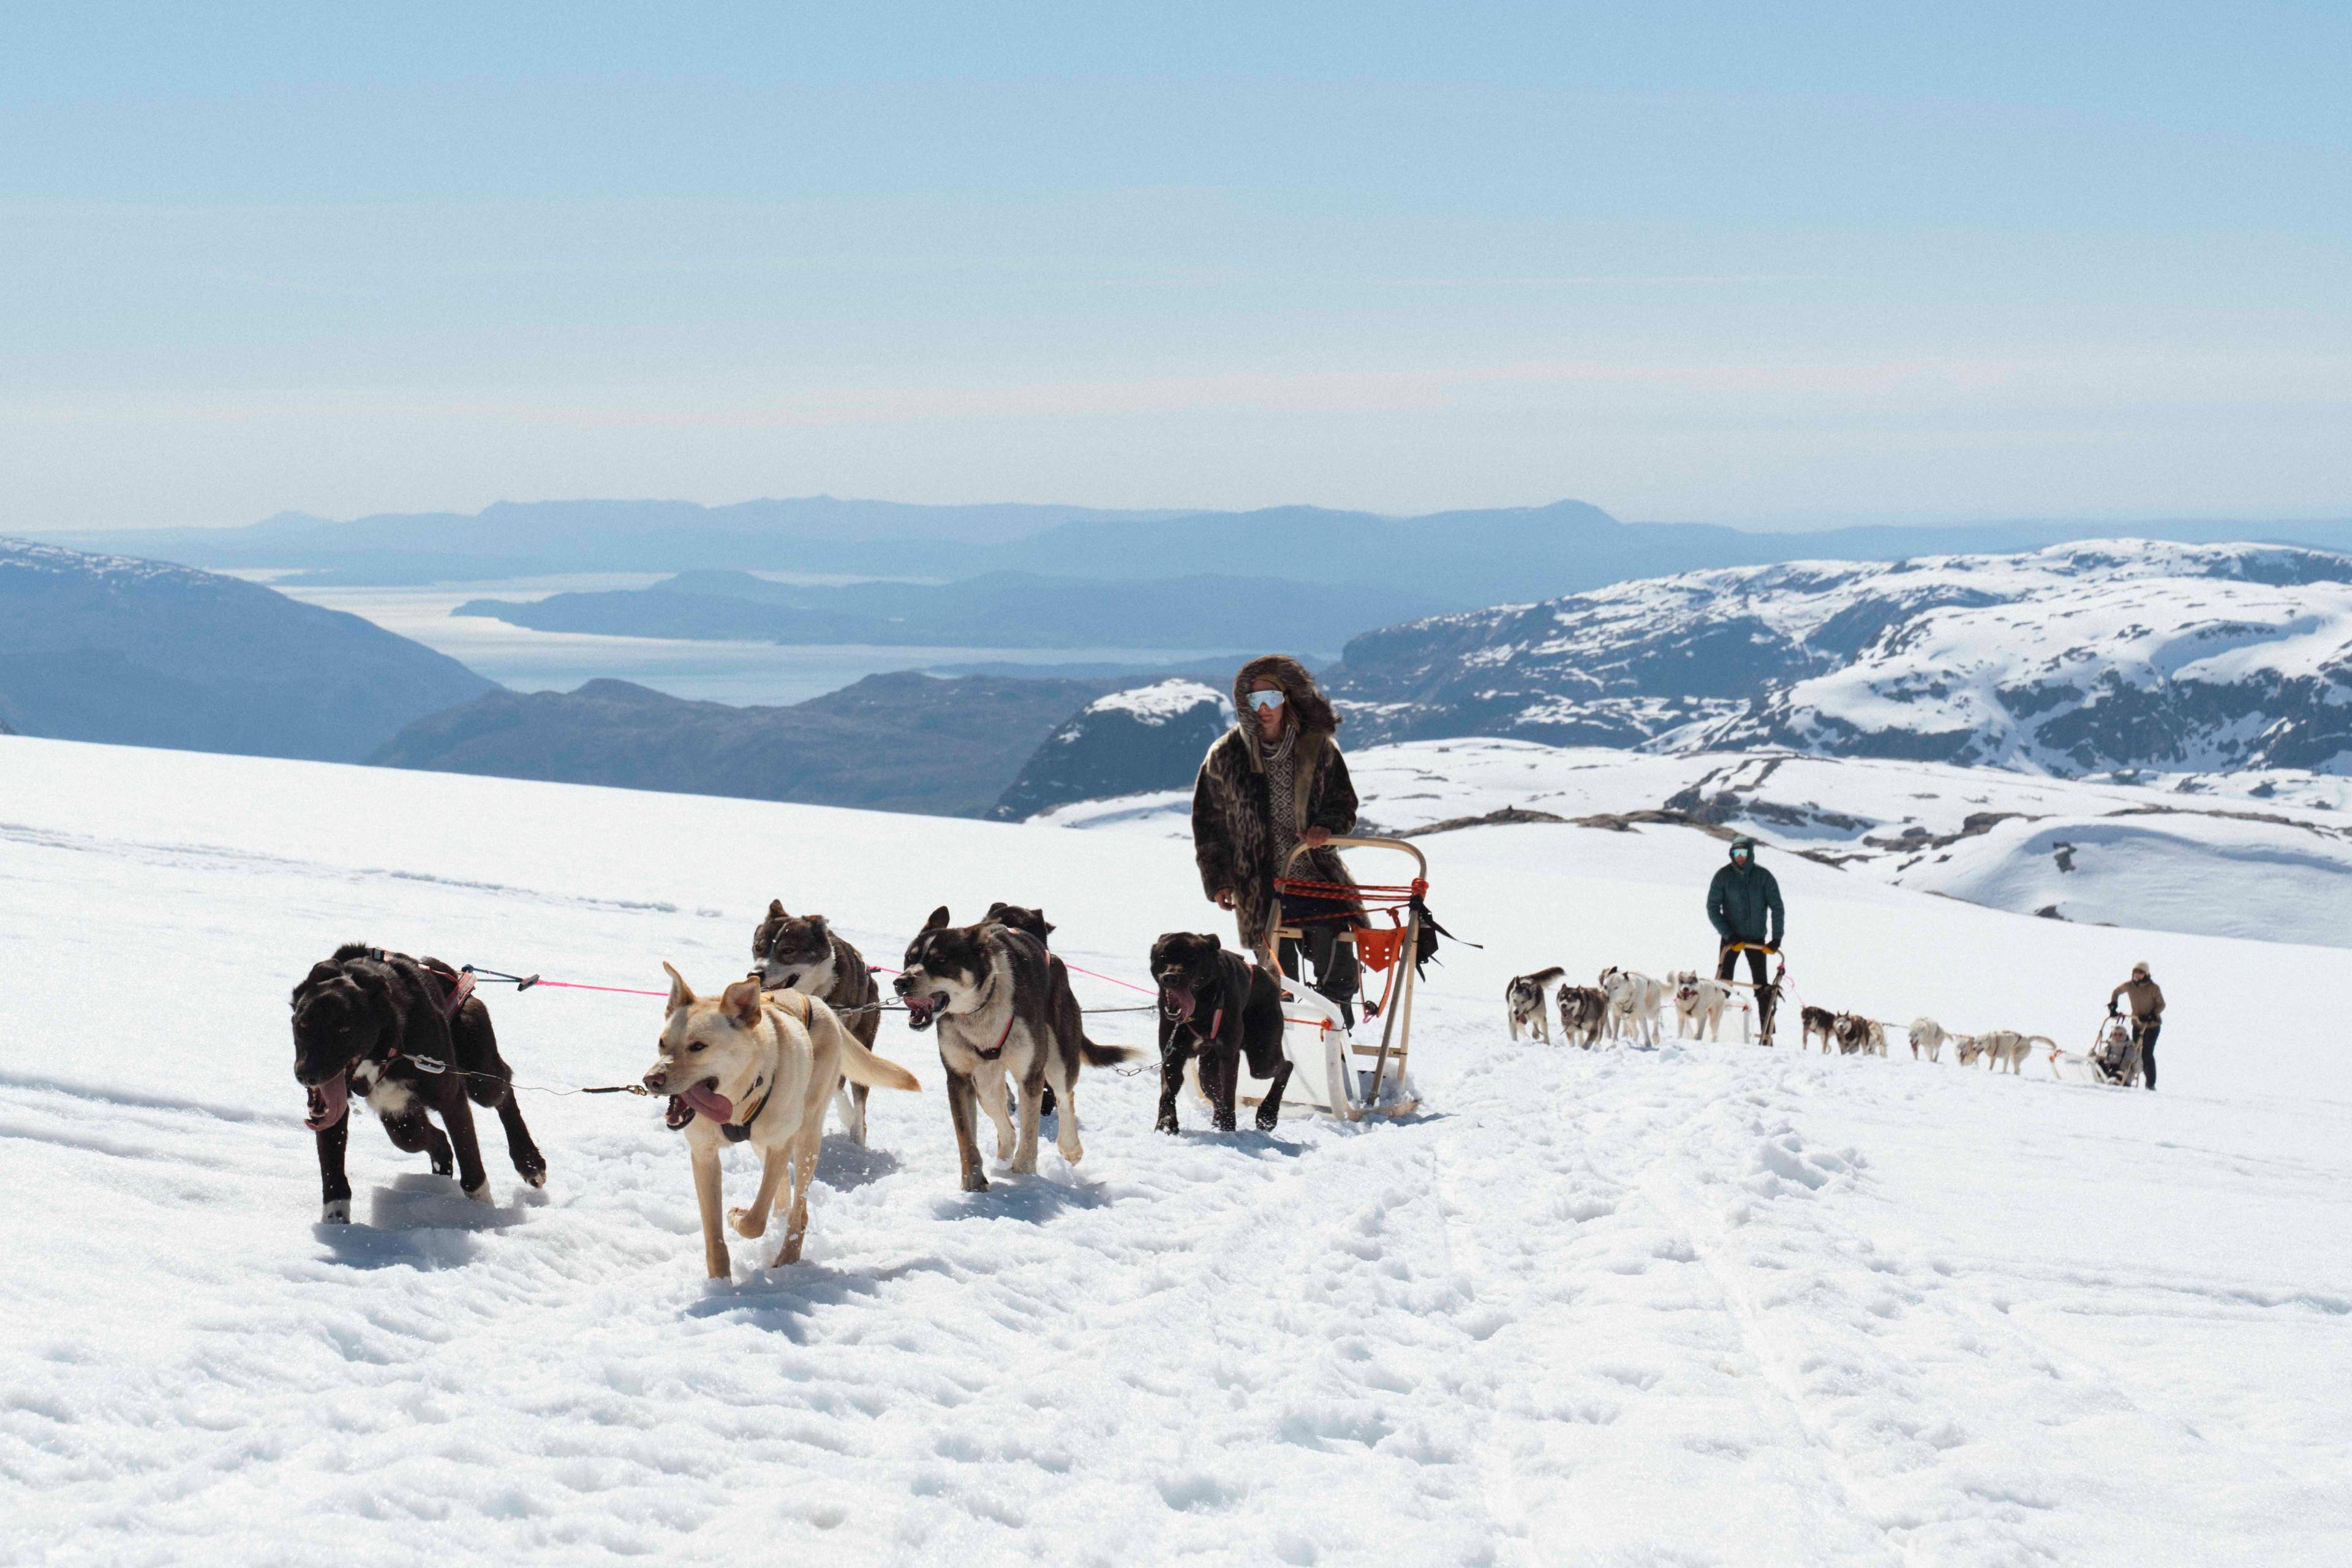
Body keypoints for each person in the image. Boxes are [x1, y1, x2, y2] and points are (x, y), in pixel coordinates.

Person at [1191, 655, 1360, 1025]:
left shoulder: (1319, 749)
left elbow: (1343, 804)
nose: (1264, 708)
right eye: (1254, 700)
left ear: (1288, 698)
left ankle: (1338, 1044)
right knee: (1277, 981)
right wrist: (1219, 879)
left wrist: (1326, 831)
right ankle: (1287, 1054)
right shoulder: (1225, 756)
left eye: (1272, 696)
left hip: (1316, 879)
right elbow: (1209, 824)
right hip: (1260, 886)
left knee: (1338, 967)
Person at [1706, 835, 1785, 1041]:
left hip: (1757, 939)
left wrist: (1776, 939)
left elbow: (1777, 908)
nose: (1739, 857)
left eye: (1743, 853)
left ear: (1750, 854)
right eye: (1735, 853)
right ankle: (1713, 1031)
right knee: (1724, 985)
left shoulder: (1764, 877)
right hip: (1731, 939)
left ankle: (1767, 1035)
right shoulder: (1723, 877)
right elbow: (1713, 908)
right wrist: (1729, 935)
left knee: (1763, 988)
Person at [2108, 960, 2164, 1091]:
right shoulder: (2129, 986)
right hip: (2137, 1023)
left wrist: (2152, 1015)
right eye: (2136, 972)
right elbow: (2116, 992)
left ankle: (2150, 1084)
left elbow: (2161, 1004)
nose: (2137, 975)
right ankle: (2126, 1077)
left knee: (2147, 1054)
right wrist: (2113, 1006)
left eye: (2141, 972)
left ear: (2146, 974)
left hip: (2152, 1025)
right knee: (2134, 1052)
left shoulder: (2153, 988)